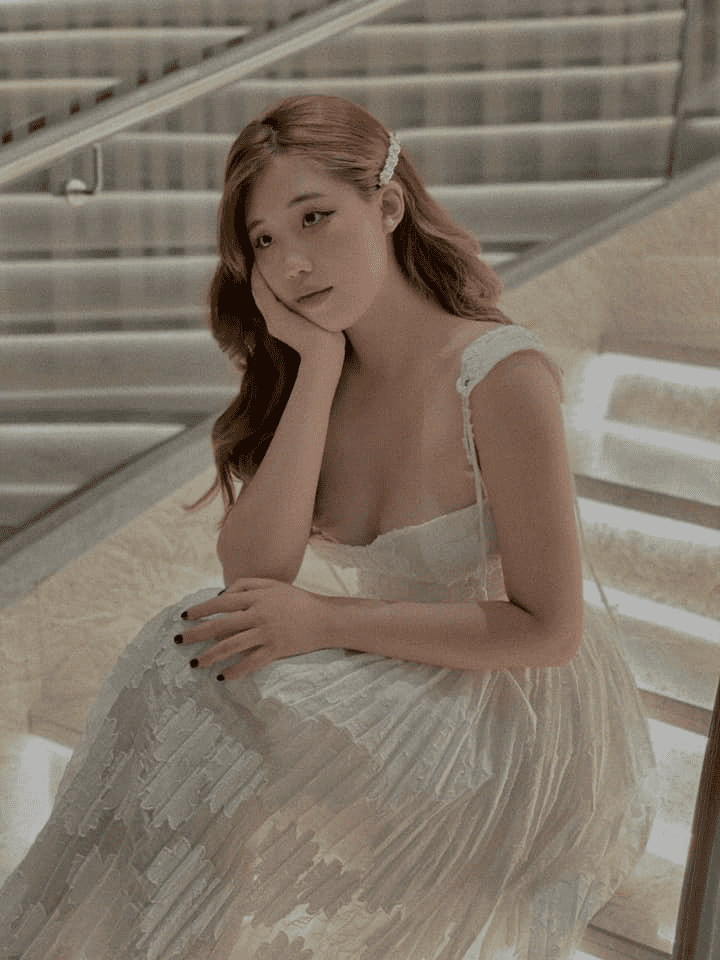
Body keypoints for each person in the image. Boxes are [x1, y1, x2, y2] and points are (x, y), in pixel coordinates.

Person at [0, 94, 658, 960]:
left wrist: (324, 621)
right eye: (265, 241)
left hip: (509, 708)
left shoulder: (500, 375)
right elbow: (254, 572)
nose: (293, 263)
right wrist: (314, 364)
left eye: (315, 217)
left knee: (195, 694)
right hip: (394, 668)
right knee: (185, 651)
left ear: (388, 205)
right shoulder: (323, 372)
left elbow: (550, 631)